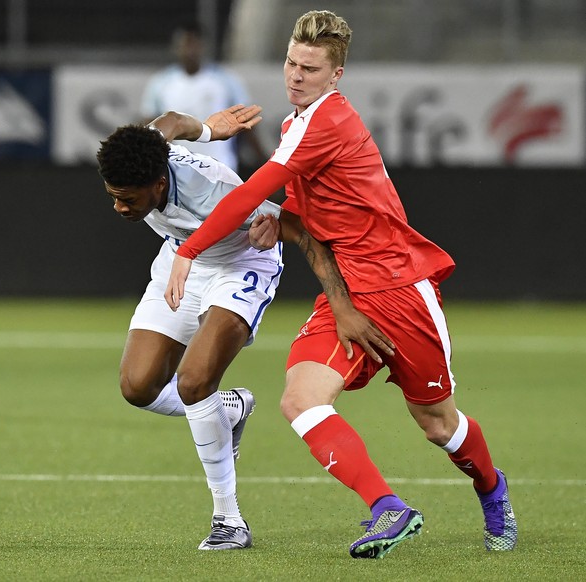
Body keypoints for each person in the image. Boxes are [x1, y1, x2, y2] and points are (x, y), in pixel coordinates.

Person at [164, 10, 517, 559]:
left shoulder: (327, 120)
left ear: (337, 75)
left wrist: (189, 250)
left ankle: (492, 489)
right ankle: (388, 509)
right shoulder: (295, 125)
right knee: (300, 400)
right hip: (345, 293)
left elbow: (250, 189)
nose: (296, 75)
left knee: (436, 423)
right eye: (290, 62)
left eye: (310, 67)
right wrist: (280, 220)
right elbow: (309, 212)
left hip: (399, 289)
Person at [96, 104, 392, 551]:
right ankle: (229, 409)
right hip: (182, 261)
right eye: (113, 196)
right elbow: (172, 121)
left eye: (128, 199)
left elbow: (302, 232)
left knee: (195, 381)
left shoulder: (210, 192)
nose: (119, 207)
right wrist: (209, 130)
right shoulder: (145, 154)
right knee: (137, 386)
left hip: (239, 264)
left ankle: (228, 521)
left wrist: (341, 304)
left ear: (159, 184)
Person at [140, 22, 266, 173]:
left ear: (203, 46)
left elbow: (247, 125)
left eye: (194, 44)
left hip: (221, 168)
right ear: (176, 47)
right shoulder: (161, 83)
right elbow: (150, 128)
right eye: (185, 44)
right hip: (178, 170)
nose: (190, 50)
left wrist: (262, 162)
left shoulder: (226, 80)